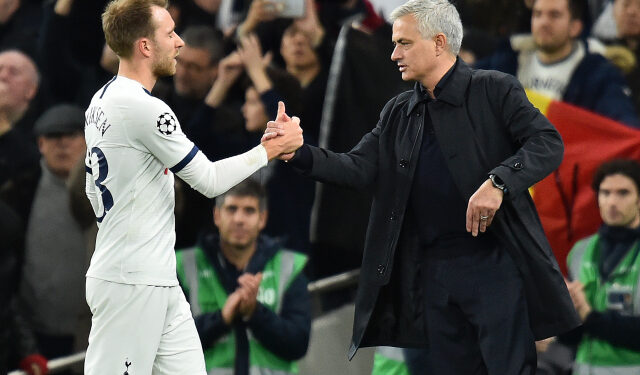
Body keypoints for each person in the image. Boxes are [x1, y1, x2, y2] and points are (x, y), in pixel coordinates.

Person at [265, 0, 580, 373]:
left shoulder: (494, 90)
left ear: (439, 42)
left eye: (404, 43)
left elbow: (547, 142)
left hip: (495, 263)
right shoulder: (398, 111)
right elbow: (358, 167)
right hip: (430, 273)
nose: (394, 53)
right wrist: (299, 153)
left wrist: (499, 182)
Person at [83, 0, 302, 374]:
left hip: (155, 275)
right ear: (145, 46)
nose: (180, 42)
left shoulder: (100, 100)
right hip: (133, 280)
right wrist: (270, 149)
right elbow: (209, 180)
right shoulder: (145, 108)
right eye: (169, 34)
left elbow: (92, 188)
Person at [176, 179, 311, 374]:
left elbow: (298, 343)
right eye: (231, 209)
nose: (239, 219)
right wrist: (221, 319)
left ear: (262, 219)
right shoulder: (183, 265)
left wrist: (255, 313)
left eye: (249, 210)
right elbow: (168, 341)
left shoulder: (289, 266)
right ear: (216, 216)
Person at [475, 0, 640, 128]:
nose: (544, 22)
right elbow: (461, 79)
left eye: (554, 15)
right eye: (538, 14)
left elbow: (622, 121)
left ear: (575, 27)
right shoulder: (507, 60)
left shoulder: (597, 74)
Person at [564, 159, 640, 374]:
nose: (612, 202)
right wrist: (565, 311)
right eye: (605, 193)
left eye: (623, 193)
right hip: (585, 369)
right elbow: (571, 337)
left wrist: (589, 316)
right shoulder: (580, 251)